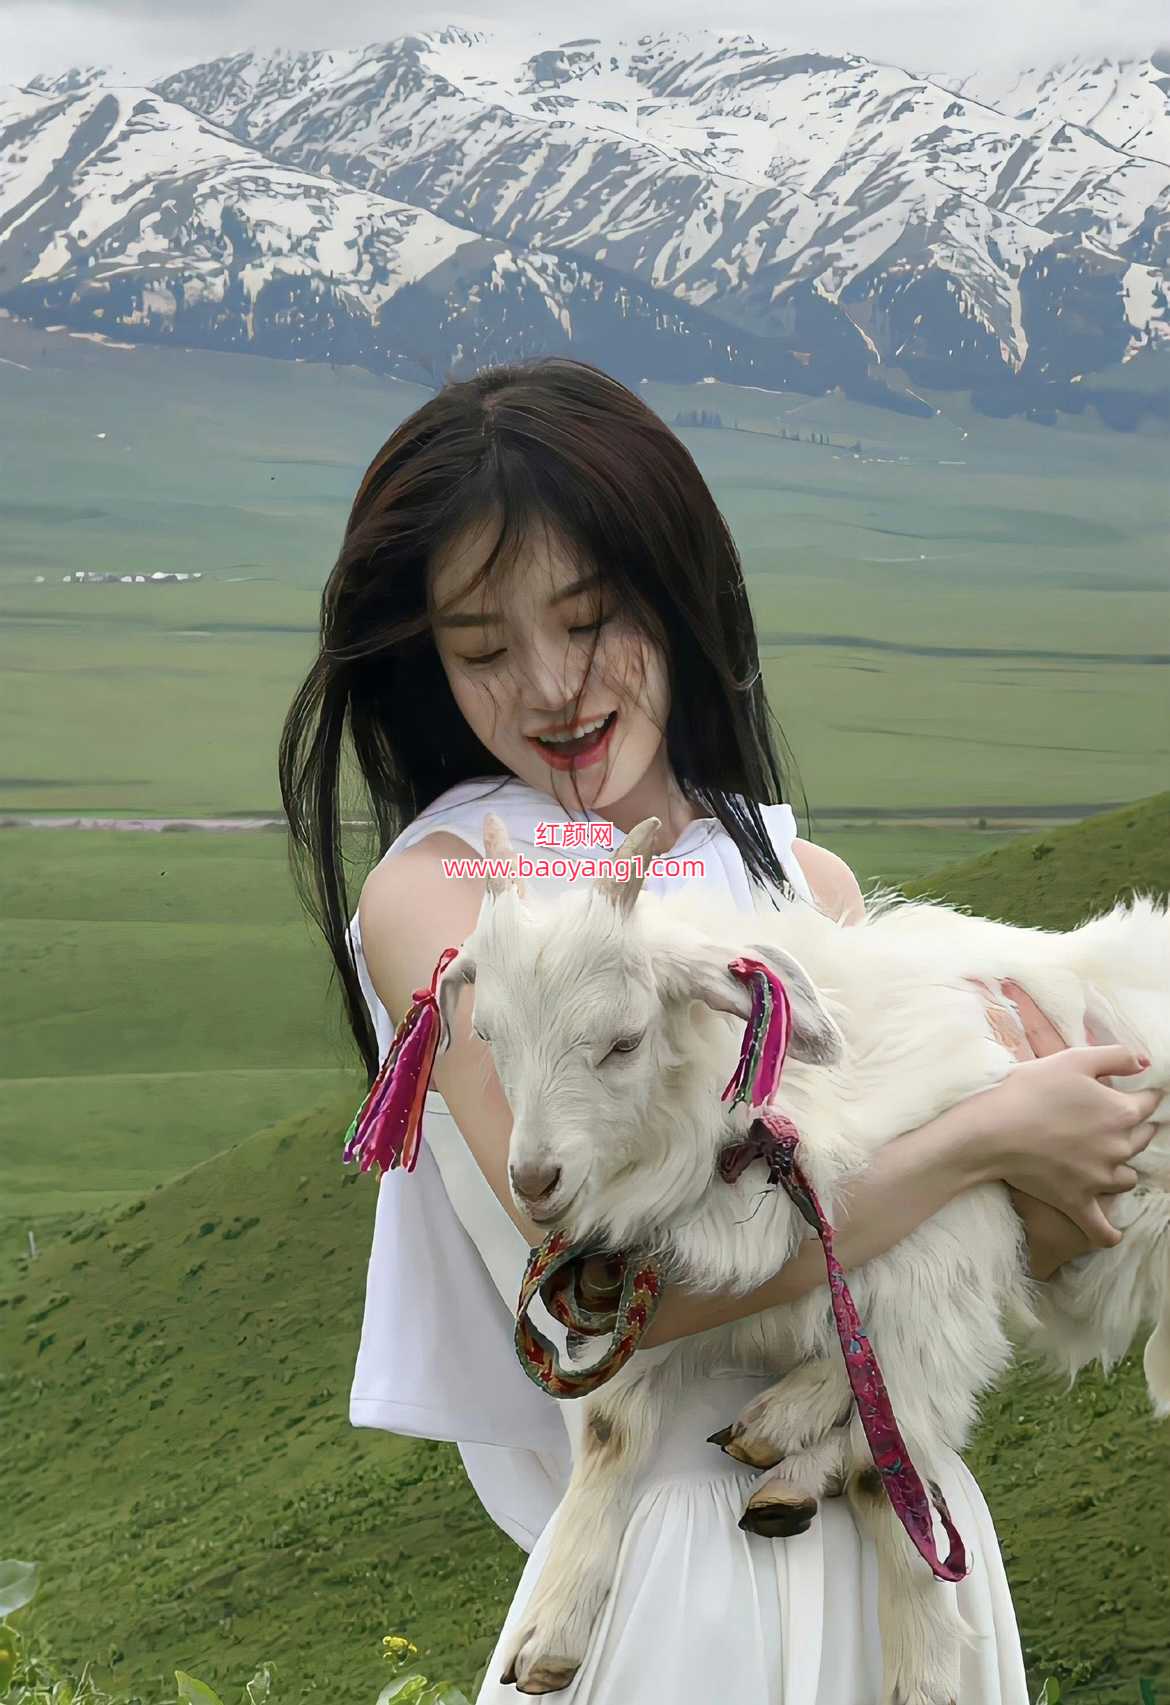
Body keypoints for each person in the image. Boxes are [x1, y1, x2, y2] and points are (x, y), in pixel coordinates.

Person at [277, 356, 1160, 1704]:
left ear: (675, 593)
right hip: (673, 1572)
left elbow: (983, 1259)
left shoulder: (801, 886)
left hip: (900, 1524)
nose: (550, 685)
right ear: (426, 662)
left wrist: (1050, 1154)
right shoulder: (447, 899)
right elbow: (595, 1290)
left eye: (591, 618)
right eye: (482, 648)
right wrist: (986, 1134)